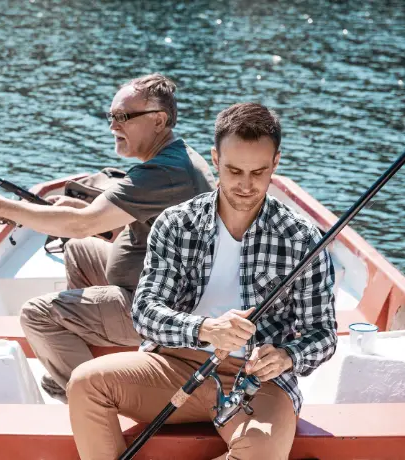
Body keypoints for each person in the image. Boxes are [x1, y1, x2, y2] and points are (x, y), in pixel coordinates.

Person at [67, 102, 338, 460]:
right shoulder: (176, 223)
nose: (245, 184)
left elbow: (323, 333)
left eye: (258, 172)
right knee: (85, 384)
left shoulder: (302, 239)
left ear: (276, 163)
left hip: (258, 381)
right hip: (175, 365)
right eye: (234, 170)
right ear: (215, 159)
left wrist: (288, 356)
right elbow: (145, 312)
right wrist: (206, 329)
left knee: (261, 451)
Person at [0, 74, 216, 396]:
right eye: (111, 116)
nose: (113, 126)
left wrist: (4, 207)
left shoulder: (164, 172)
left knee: (37, 315)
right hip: (159, 281)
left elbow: (80, 224)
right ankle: (78, 357)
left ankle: (88, 395)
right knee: (79, 249)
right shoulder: (175, 158)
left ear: (159, 120)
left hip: (162, 307)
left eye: (123, 117)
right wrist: (80, 210)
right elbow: (108, 224)